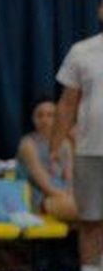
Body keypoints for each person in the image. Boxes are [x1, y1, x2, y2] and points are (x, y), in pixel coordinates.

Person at [55, 0, 103, 271]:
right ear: (99, 10)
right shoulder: (82, 51)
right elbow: (67, 103)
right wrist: (56, 144)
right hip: (90, 148)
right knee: (90, 219)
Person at [20, 95, 78, 223]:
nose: (45, 120)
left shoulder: (65, 143)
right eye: (40, 115)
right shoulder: (28, 144)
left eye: (50, 115)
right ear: (33, 119)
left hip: (64, 195)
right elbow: (45, 184)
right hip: (40, 197)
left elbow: (70, 178)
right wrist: (67, 196)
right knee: (86, 209)